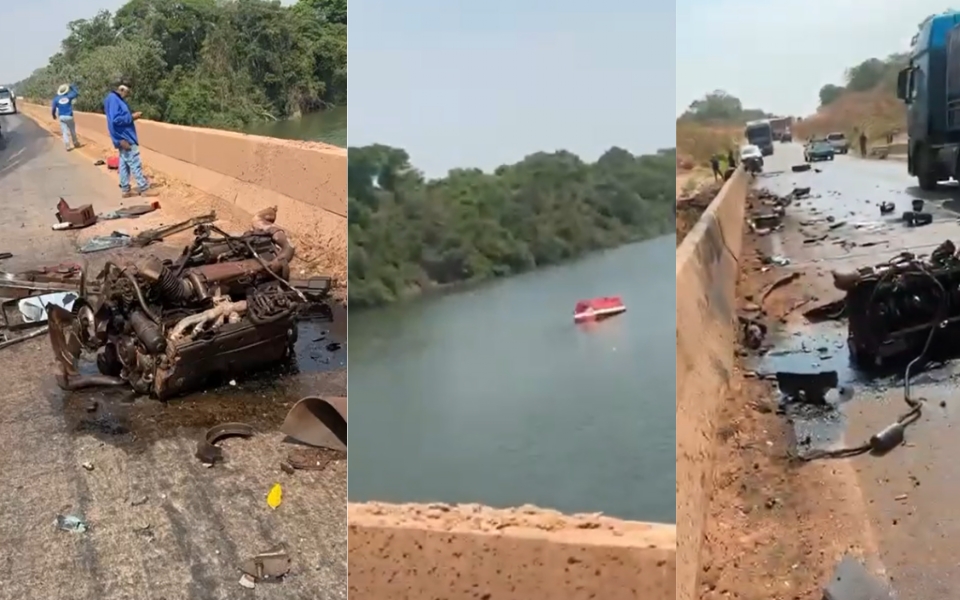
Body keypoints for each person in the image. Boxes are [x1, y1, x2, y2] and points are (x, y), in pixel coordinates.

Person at [103, 81, 158, 198]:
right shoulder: (114, 99)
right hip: (124, 137)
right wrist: (132, 117)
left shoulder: (112, 99)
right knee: (134, 162)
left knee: (124, 164)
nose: (127, 95)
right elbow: (115, 120)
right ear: (121, 90)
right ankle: (144, 188)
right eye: (126, 93)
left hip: (121, 136)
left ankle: (125, 189)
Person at [51, 83, 80, 151]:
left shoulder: (56, 99)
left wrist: (54, 115)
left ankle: (67, 145)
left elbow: (53, 108)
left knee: (64, 131)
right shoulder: (69, 96)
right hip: (69, 116)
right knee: (72, 130)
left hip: (61, 117)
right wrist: (71, 86)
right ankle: (75, 142)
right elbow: (76, 93)